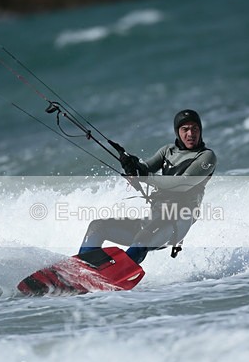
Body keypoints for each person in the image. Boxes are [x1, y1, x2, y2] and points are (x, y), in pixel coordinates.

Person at [78, 109, 216, 264]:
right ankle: (85, 266)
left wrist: (145, 176)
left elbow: (182, 184)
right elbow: (145, 168)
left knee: (142, 240)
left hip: (178, 221)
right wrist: (131, 165)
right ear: (177, 131)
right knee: (97, 226)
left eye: (195, 129)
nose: (191, 133)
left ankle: (119, 272)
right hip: (154, 219)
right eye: (185, 129)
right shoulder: (168, 151)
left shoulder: (206, 156)